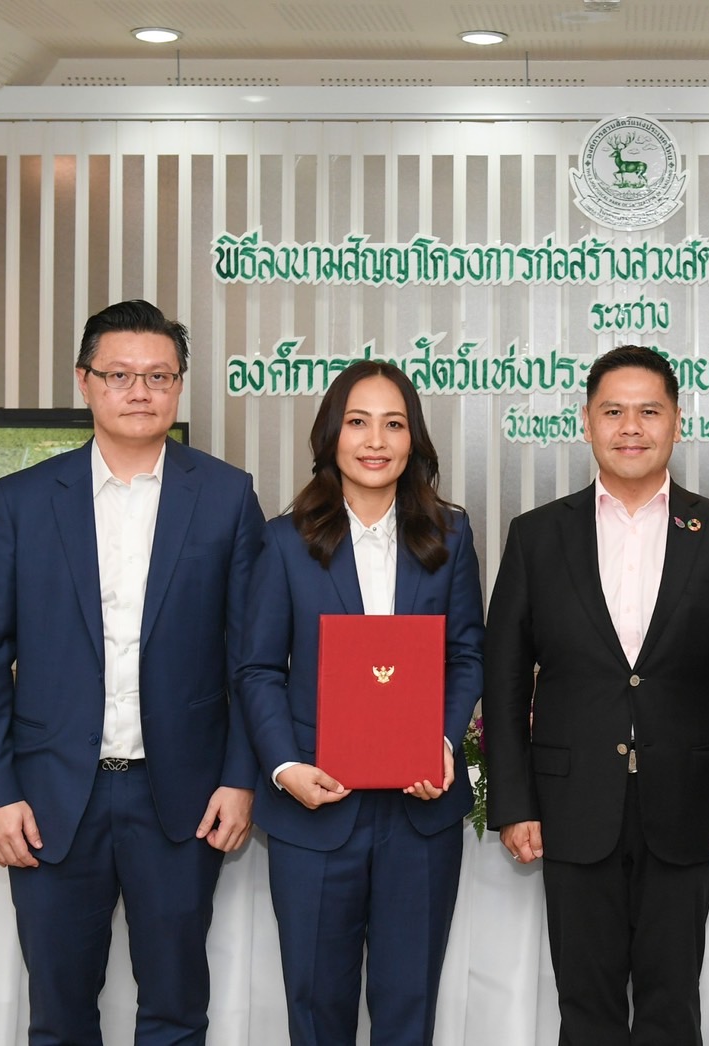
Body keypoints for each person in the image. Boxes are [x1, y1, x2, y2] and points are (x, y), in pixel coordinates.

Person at [0, 299, 264, 1044]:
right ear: (85, 381)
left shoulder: (226, 496)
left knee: (176, 1013)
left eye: (159, 376)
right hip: (51, 799)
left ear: (179, 385)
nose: (140, 391)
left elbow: (251, 656)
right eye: (120, 374)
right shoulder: (22, 501)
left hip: (183, 799)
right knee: (59, 1017)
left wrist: (240, 777)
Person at [483, 345, 709, 1045]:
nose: (630, 427)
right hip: (570, 805)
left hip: (687, 804)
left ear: (677, 422)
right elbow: (504, 679)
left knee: (671, 1006)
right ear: (586, 422)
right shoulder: (536, 535)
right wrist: (514, 802)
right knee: (584, 1009)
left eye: (649, 411)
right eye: (613, 411)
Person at [235, 361, 483, 1046]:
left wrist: (440, 741)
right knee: (316, 1009)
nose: (376, 440)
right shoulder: (284, 540)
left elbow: (467, 654)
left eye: (394, 424)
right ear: (331, 436)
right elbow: (258, 668)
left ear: (414, 440)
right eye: (358, 422)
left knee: (409, 1007)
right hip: (315, 809)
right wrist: (285, 766)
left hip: (419, 815)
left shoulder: (450, 536)